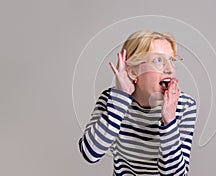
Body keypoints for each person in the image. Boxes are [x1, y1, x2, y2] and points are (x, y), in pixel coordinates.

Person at [78, 30, 197, 175]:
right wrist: (121, 98)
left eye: (171, 60)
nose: (170, 69)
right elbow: (90, 154)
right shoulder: (112, 100)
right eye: (158, 60)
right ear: (133, 71)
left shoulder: (185, 106)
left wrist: (169, 121)